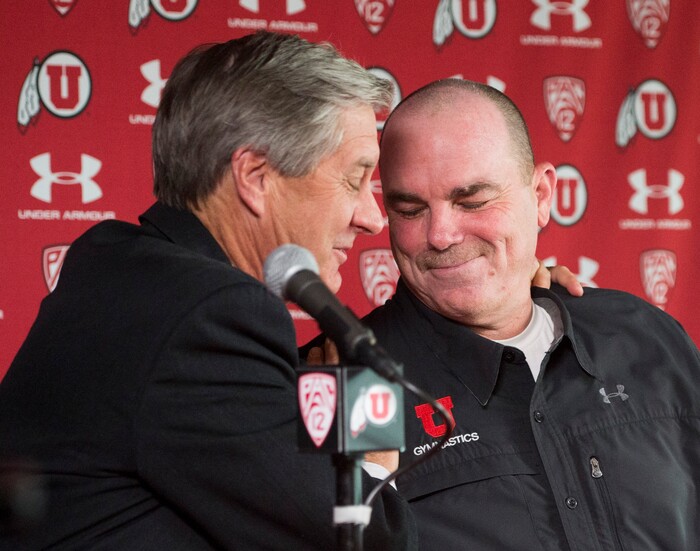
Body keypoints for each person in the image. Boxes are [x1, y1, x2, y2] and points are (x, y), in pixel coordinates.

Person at [0, 31, 417, 550]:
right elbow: (363, 540)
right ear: (256, 176)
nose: (373, 218)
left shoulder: (117, 261)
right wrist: (369, 443)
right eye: (355, 180)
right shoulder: (210, 315)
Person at [359, 78, 700, 549]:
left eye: (472, 201)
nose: (440, 234)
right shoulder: (347, 382)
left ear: (541, 196)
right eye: (411, 209)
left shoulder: (647, 338)